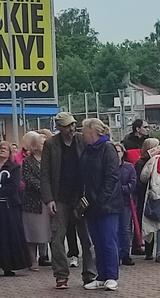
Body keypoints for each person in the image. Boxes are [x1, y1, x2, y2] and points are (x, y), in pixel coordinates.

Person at [41, 112, 96, 289]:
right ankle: (61, 275)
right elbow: (45, 174)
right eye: (67, 126)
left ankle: (89, 274)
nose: (71, 128)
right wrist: (49, 199)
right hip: (60, 197)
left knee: (86, 238)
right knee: (57, 238)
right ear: (59, 127)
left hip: (81, 196)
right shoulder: (51, 144)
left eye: (72, 124)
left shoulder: (81, 140)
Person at [79, 118, 121, 291]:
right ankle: (101, 275)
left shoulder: (108, 148)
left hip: (107, 205)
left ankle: (112, 276)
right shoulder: (87, 151)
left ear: (93, 132)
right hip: (91, 204)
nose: (82, 135)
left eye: (84, 132)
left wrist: (101, 200)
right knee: (97, 241)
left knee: (108, 240)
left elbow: (112, 177)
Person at [21, 131, 52, 271]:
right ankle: (32, 261)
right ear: (34, 146)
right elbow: (28, 178)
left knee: (47, 231)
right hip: (32, 201)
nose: (44, 145)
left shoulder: (49, 160)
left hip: (47, 200)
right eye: (41, 143)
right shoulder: (27, 161)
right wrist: (43, 187)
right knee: (32, 232)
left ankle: (45, 257)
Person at [0, 141, 32, 276]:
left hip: (8, 207)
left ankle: (8, 265)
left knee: (8, 236)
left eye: (4, 148)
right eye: (0, 148)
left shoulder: (14, 168)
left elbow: (13, 187)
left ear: (10, 152)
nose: (2, 150)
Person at [133, 138, 160, 258]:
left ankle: (150, 249)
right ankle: (138, 245)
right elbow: (139, 180)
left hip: (154, 194)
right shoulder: (140, 163)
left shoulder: (158, 160)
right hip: (143, 195)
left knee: (153, 221)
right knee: (143, 221)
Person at [113, 143, 137, 266]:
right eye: (115, 151)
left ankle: (126, 254)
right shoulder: (109, 167)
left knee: (125, 229)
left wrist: (121, 189)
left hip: (125, 202)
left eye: (119, 151)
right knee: (114, 229)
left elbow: (133, 184)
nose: (117, 154)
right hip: (111, 202)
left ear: (123, 153)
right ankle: (115, 254)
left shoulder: (129, 167)